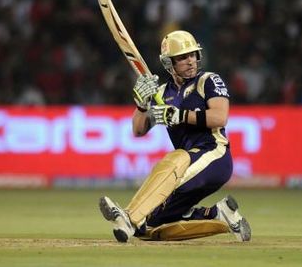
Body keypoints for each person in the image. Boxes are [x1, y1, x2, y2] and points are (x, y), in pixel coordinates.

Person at [99, 30, 251, 242]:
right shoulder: (162, 93)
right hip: (186, 167)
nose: (190, 61)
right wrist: (141, 105)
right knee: (148, 228)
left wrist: (179, 115)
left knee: (176, 157)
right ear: (169, 63)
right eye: (182, 57)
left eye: (192, 55)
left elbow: (220, 117)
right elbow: (138, 130)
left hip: (214, 155)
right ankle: (219, 215)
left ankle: (128, 217)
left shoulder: (208, 80)